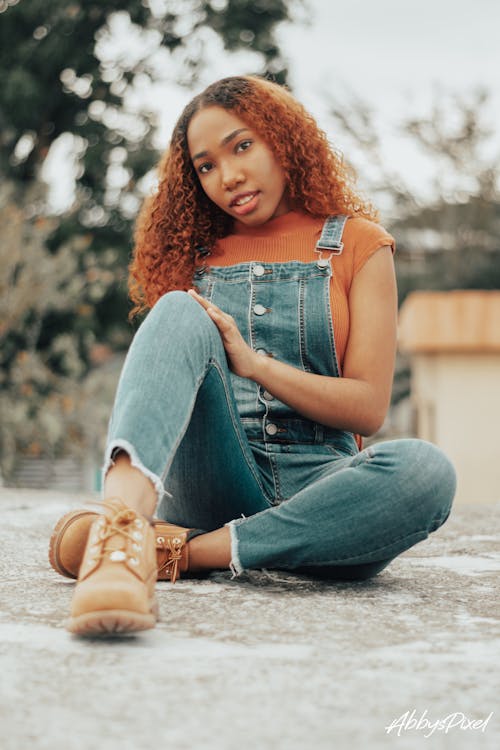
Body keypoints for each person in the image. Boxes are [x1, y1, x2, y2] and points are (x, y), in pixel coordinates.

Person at [48, 75, 456, 636]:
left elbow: (367, 409)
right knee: (176, 310)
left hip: (323, 494)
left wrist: (256, 364)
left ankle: (174, 553)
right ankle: (120, 530)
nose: (228, 175)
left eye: (242, 146)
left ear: (284, 140)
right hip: (216, 475)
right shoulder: (194, 258)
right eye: (206, 165)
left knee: (426, 472)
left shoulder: (360, 245)